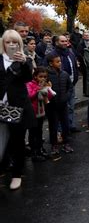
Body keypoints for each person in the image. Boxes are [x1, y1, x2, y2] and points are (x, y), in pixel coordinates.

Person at [0, 30, 35, 190]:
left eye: (15, 42)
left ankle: (16, 174)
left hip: (17, 107)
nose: (12, 45)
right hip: (1, 106)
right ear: (3, 44)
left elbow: (28, 78)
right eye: (8, 42)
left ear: (19, 44)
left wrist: (23, 63)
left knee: (17, 141)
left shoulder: (24, 60)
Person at [47, 35, 80, 132]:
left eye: (66, 41)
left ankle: (70, 125)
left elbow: (74, 66)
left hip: (71, 85)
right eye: (62, 41)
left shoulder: (70, 53)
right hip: (59, 87)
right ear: (56, 42)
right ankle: (60, 130)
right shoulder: (52, 55)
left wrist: (75, 79)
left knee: (71, 107)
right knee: (61, 110)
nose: (65, 43)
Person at [45, 53, 73, 154]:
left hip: (63, 104)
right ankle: (54, 145)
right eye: (57, 62)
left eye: (60, 61)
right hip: (52, 105)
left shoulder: (64, 74)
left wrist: (67, 96)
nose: (60, 63)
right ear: (51, 63)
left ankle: (66, 143)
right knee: (53, 125)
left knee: (66, 125)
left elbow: (70, 87)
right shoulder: (46, 75)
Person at [26, 67, 55, 162]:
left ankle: (40, 150)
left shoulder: (44, 84)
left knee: (39, 132)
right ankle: (34, 152)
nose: (42, 79)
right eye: (40, 76)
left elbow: (50, 97)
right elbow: (29, 96)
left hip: (41, 112)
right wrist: (38, 89)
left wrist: (48, 88)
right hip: (32, 112)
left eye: (45, 77)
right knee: (33, 132)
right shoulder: (30, 84)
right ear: (35, 76)